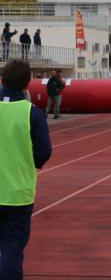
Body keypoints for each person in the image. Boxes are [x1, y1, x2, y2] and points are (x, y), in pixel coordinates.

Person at [0, 59, 52, 279]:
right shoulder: (32, 113)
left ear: (2, 80)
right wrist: (32, 163)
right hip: (18, 193)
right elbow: (44, 151)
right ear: (28, 83)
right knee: (12, 248)